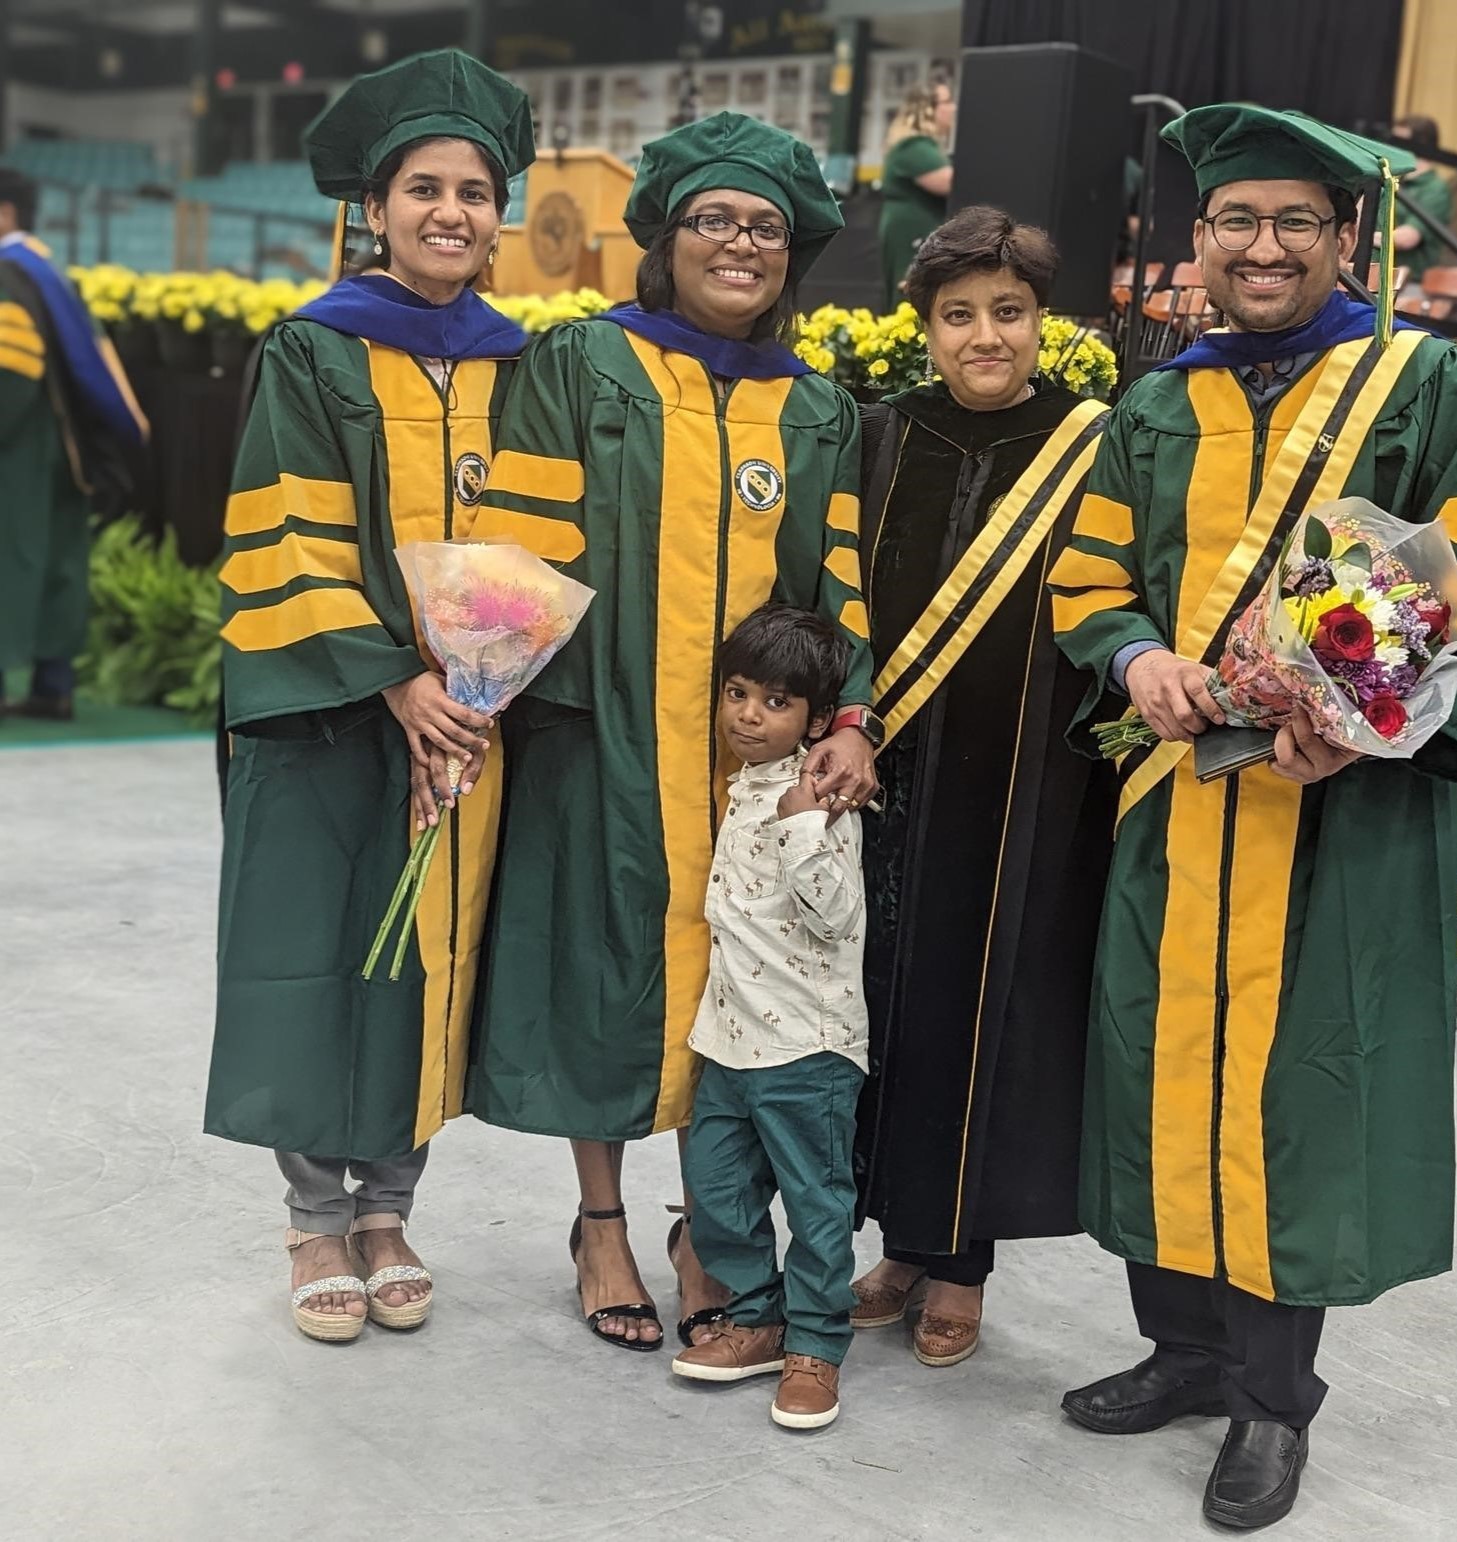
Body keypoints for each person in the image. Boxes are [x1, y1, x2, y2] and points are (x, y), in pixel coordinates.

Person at [1048, 104, 1457, 1529]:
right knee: (1162, 1066)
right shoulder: (1154, 403)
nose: (1260, 249)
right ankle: (1184, 1349)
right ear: (1193, 241)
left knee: (1298, 1091)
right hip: (1181, 801)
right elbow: (1090, 579)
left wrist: (1361, 730)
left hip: (1342, 817)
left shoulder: (1429, 385)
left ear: (1344, 239)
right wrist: (1136, 654)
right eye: (1233, 223)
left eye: (1291, 223)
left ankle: (1272, 1398)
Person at [467, 111, 880, 1353]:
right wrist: (485, 699)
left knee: (742, 997)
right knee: (601, 978)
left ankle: (712, 1230)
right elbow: (514, 566)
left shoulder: (814, 408)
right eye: (715, 219)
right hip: (602, 741)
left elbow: (835, 586)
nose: (741, 243)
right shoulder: (583, 364)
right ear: (666, 237)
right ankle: (600, 1222)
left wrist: (848, 712)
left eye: (764, 226)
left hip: (752, 770)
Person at [204, 49, 534, 1343]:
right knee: (311, 946)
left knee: (423, 951)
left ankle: (390, 1202)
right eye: (423, 188)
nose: (450, 210)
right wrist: (398, 675)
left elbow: (549, 528)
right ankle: (311, 1214)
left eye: (473, 189)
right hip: (327, 708)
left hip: (470, 713)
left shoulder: (525, 361)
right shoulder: (315, 348)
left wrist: (492, 672)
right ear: (378, 208)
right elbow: (282, 531)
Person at [849, 206, 1115, 1368]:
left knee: (989, 1008)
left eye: (1009, 312)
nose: (986, 336)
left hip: (1027, 786)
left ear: (1044, 321)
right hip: (890, 775)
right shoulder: (884, 436)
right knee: (888, 1003)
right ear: (926, 327)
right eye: (959, 315)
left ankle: (963, 1264)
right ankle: (904, 1241)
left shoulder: (1095, 443)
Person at [670, 604, 867, 1429]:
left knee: (815, 1205)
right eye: (738, 693)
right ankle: (756, 1318)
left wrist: (798, 829)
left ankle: (816, 1347)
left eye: (775, 702)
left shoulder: (825, 799)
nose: (748, 715)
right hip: (728, 1043)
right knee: (715, 1193)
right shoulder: (736, 784)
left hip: (807, 1049)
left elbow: (838, 919)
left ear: (817, 721)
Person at [0, 168, 147, 721]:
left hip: (18, 448)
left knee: (11, 559)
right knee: (57, 561)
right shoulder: (50, 273)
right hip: (69, 448)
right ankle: (52, 687)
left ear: (6, 214)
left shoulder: (8, 276)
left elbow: (9, 374)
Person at [878, 80, 955, 308]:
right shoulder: (914, 145)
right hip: (912, 230)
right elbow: (951, 183)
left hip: (913, 225)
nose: (954, 108)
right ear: (927, 108)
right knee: (911, 290)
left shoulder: (922, 145)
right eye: (947, 101)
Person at [1383, 115, 1452, 288]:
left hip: (1408, 284)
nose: (1391, 147)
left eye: (1399, 141)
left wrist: (1367, 237)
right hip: (1375, 276)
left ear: (1419, 146)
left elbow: (1407, 238)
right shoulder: (1390, 179)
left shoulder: (1435, 189)